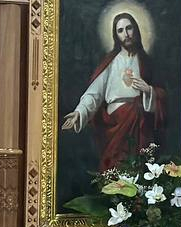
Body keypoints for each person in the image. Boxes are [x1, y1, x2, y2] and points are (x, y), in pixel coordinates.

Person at [61, 12, 166, 171]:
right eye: (120, 30)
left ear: (136, 30)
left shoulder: (146, 62)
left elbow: (164, 97)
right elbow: (94, 94)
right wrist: (80, 112)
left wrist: (148, 90)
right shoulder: (111, 63)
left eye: (129, 28)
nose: (126, 34)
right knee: (114, 170)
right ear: (116, 35)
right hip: (114, 125)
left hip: (140, 126)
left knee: (138, 170)